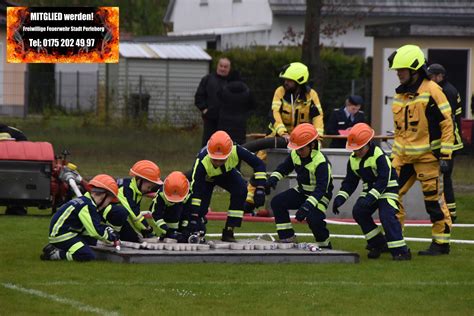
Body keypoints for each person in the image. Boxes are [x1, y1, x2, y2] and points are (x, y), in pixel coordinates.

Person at [387, 44, 454, 255]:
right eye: (397, 70)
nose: (398, 74)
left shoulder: (433, 91)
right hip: (403, 157)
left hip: (428, 158)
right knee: (390, 195)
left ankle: (441, 243)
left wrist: (445, 155)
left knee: (433, 202)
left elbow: (447, 123)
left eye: (402, 70)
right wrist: (394, 156)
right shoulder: (400, 94)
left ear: (415, 70)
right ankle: (395, 239)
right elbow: (400, 131)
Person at [245, 62, 325, 211]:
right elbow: (275, 114)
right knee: (260, 158)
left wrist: (318, 136)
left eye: (289, 80)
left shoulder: (311, 95)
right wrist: (283, 133)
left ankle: (312, 195)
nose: (285, 82)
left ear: (299, 81)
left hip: (302, 137)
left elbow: (318, 116)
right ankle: (250, 197)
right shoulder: (280, 92)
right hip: (279, 134)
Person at [332, 123, 411, 260]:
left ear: (368, 143)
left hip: (388, 189)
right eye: (354, 149)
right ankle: (378, 243)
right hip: (370, 190)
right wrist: (340, 198)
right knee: (359, 212)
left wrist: (370, 198)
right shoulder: (353, 160)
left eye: (360, 149)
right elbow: (350, 182)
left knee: (386, 216)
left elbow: (383, 180)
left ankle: (401, 251)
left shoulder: (379, 155)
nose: (357, 152)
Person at [189, 130, 266, 242]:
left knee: (241, 189)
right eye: (214, 159)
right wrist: (194, 216)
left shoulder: (236, 150)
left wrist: (260, 188)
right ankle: (197, 227)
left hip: (227, 173)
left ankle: (229, 230)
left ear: (229, 153)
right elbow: (196, 191)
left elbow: (259, 164)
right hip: (207, 179)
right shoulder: (201, 161)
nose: (218, 163)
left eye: (222, 159)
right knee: (200, 207)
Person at [265, 123, 332, 247]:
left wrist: (307, 206)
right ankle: (287, 238)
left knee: (313, 219)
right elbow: (284, 168)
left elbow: (321, 189)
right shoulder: (296, 154)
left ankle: (325, 245)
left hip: (320, 196)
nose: (298, 152)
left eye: (301, 149)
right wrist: (273, 179)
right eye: (296, 148)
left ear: (312, 145)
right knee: (277, 202)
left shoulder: (321, 162)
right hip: (302, 191)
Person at [40, 174, 120, 261]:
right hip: (63, 235)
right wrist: (111, 236)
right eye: (110, 200)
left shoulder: (85, 201)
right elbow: (95, 231)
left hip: (67, 232)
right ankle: (56, 254)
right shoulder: (87, 206)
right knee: (86, 255)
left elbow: (89, 228)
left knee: (94, 242)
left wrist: (107, 231)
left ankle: (57, 248)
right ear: (103, 195)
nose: (108, 204)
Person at [427, 63, 464, 222]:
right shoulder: (448, 89)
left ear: (440, 76)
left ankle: (449, 214)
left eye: (432, 76)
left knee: (444, 181)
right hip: (446, 142)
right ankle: (449, 213)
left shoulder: (446, 91)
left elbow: (447, 121)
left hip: (447, 144)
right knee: (444, 180)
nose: (430, 80)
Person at [195, 57, 239, 147]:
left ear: (229, 68)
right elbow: (199, 96)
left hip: (228, 121)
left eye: (225, 67)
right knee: (208, 144)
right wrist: (204, 110)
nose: (223, 68)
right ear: (217, 66)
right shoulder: (207, 79)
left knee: (226, 144)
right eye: (221, 66)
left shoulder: (234, 82)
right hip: (211, 119)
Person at [116, 160, 163, 242]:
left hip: (114, 218)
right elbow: (134, 214)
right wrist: (147, 229)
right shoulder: (126, 190)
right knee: (132, 237)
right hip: (101, 219)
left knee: (134, 237)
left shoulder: (136, 190)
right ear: (140, 180)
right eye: (149, 187)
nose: (150, 190)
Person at [145, 171, 191, 242]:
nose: (174, 201)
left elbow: (188, 212)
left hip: (181, 214)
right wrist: (167, 230)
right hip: (167, 215)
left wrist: (185, 228)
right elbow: (156, 215)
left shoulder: (188, 193)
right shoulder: (161, 195)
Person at [216, 80, 256, 145]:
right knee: (239, 145)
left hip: (224, 122)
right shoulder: (247, 92)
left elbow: (217, 100)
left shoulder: (223, 91)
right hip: (240, 123)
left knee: (224, 143)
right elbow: (253, 105)